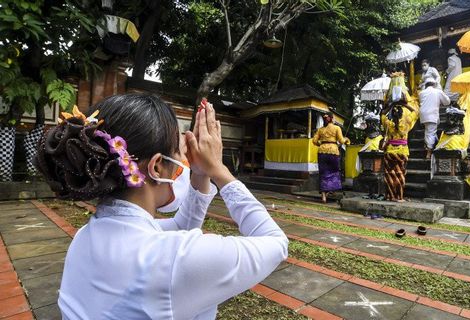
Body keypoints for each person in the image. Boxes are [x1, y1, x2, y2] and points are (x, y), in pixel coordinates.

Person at [35, 94, 288, 319]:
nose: (186, 161)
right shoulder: (174, 260)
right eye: (180, 152)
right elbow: (276, 243)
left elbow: (180, 228)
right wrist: (220, 170)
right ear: (157, 167)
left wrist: (201, 175)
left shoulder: (85, 236)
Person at [381, 95, 420, 202]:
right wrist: (405, 105)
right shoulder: (407, 121)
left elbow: (383, 114)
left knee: (389, 175)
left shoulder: (389, 124)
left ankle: (390, 196)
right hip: (402, 151)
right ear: (402, 114)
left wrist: (391, 105)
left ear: (392, 115)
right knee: (400, 174)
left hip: (390, 151)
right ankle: (399, 197)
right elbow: (416, 112)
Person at [312, 112, 350, 203]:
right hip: (333, 151)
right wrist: (347, 140)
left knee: (323, 172)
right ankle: (330, 189)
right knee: (334, 172)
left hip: (322, 152)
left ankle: (324, 196)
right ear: (332, 119)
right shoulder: (337, 128)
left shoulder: (320, 130)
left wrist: (321, 144)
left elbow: (314, 141)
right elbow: (341, 140)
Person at [419, 77, 451, 159]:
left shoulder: (421, 93)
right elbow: (447, 101)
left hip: (423, 115)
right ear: (434, 84)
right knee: (430, 133)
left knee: (429, 131)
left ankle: (432, 144)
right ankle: (429, 153)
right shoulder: (437, 91)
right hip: (432, 114)